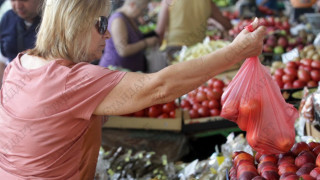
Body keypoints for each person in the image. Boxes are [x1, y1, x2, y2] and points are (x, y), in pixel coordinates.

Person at [0, 0, 265, 178]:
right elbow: (160, 86)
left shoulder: (20, 64)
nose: (107, 34)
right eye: (101, 24)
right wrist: (236, 51)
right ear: (75, 23)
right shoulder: (72, 81)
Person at [99, 0, 159, 72]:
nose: (142, 13)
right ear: (132, 5)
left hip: (129, 71)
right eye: (142, 10)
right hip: (115, 70)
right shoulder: (118, 20)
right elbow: (123, 50)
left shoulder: (130, 18)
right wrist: (146, 43)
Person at [156, 0, 232, 56]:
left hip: (175, 49)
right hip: (198, 52)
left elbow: (160, 32)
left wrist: (158, 52)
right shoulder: (208, 2)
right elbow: (227, 25)